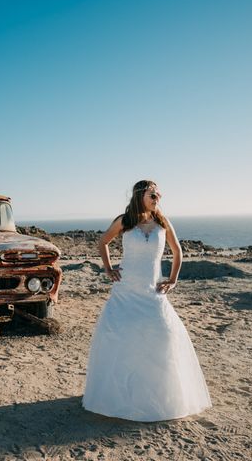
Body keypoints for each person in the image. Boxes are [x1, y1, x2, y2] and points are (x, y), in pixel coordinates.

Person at [82, 180, 212, 421]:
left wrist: (172, 280)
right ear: (141, 195)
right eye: (153, 193)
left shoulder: (163, 222)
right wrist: (109, 269)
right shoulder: (125, 221)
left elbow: (177, 251)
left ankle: (159, 397)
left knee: (162, 335)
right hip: (125, 291)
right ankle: (120, 396)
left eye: (158, 193)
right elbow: (103, 243)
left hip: (153, 293)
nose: (157, 196)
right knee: (121, 337)